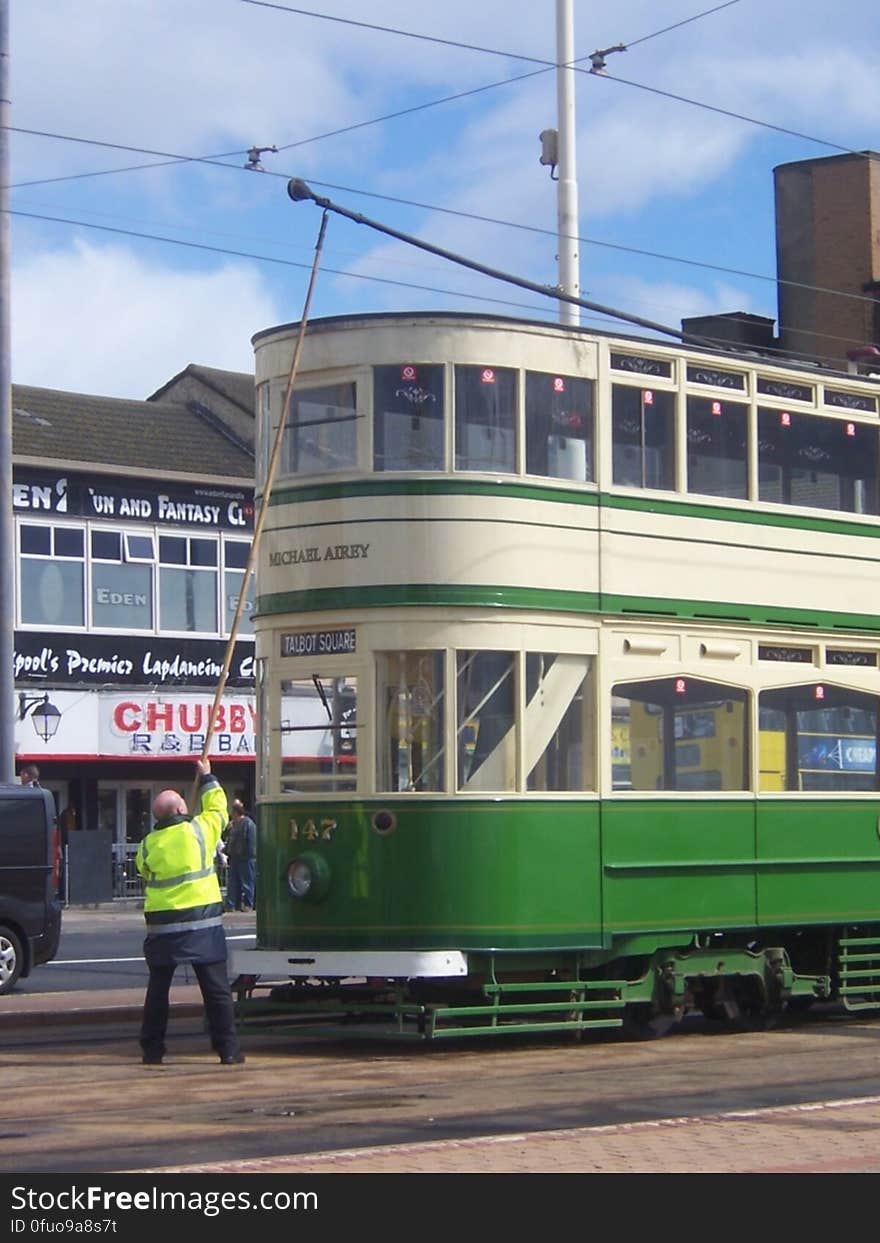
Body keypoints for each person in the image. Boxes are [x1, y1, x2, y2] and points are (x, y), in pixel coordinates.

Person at [135, 758, 245, 1066]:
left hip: (162, 927)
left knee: (157, 992)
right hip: (202, 924)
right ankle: (228, 1050)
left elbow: (143, 870)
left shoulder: (147, 844)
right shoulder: (201, 830)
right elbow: (218, 808)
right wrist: (208, 777)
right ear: (183, 810)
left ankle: (152, 1050)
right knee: (216, 991)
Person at [224, 798, 257, 913]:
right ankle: (232, 904)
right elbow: (230, 840)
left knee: (247, 882)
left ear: (236, 812)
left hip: (246, 858)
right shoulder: (233, 825)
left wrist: (250, 855)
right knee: (233, 883)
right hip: (235, 858)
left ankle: (248, 904)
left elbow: (252, 842)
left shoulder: (248, 824)